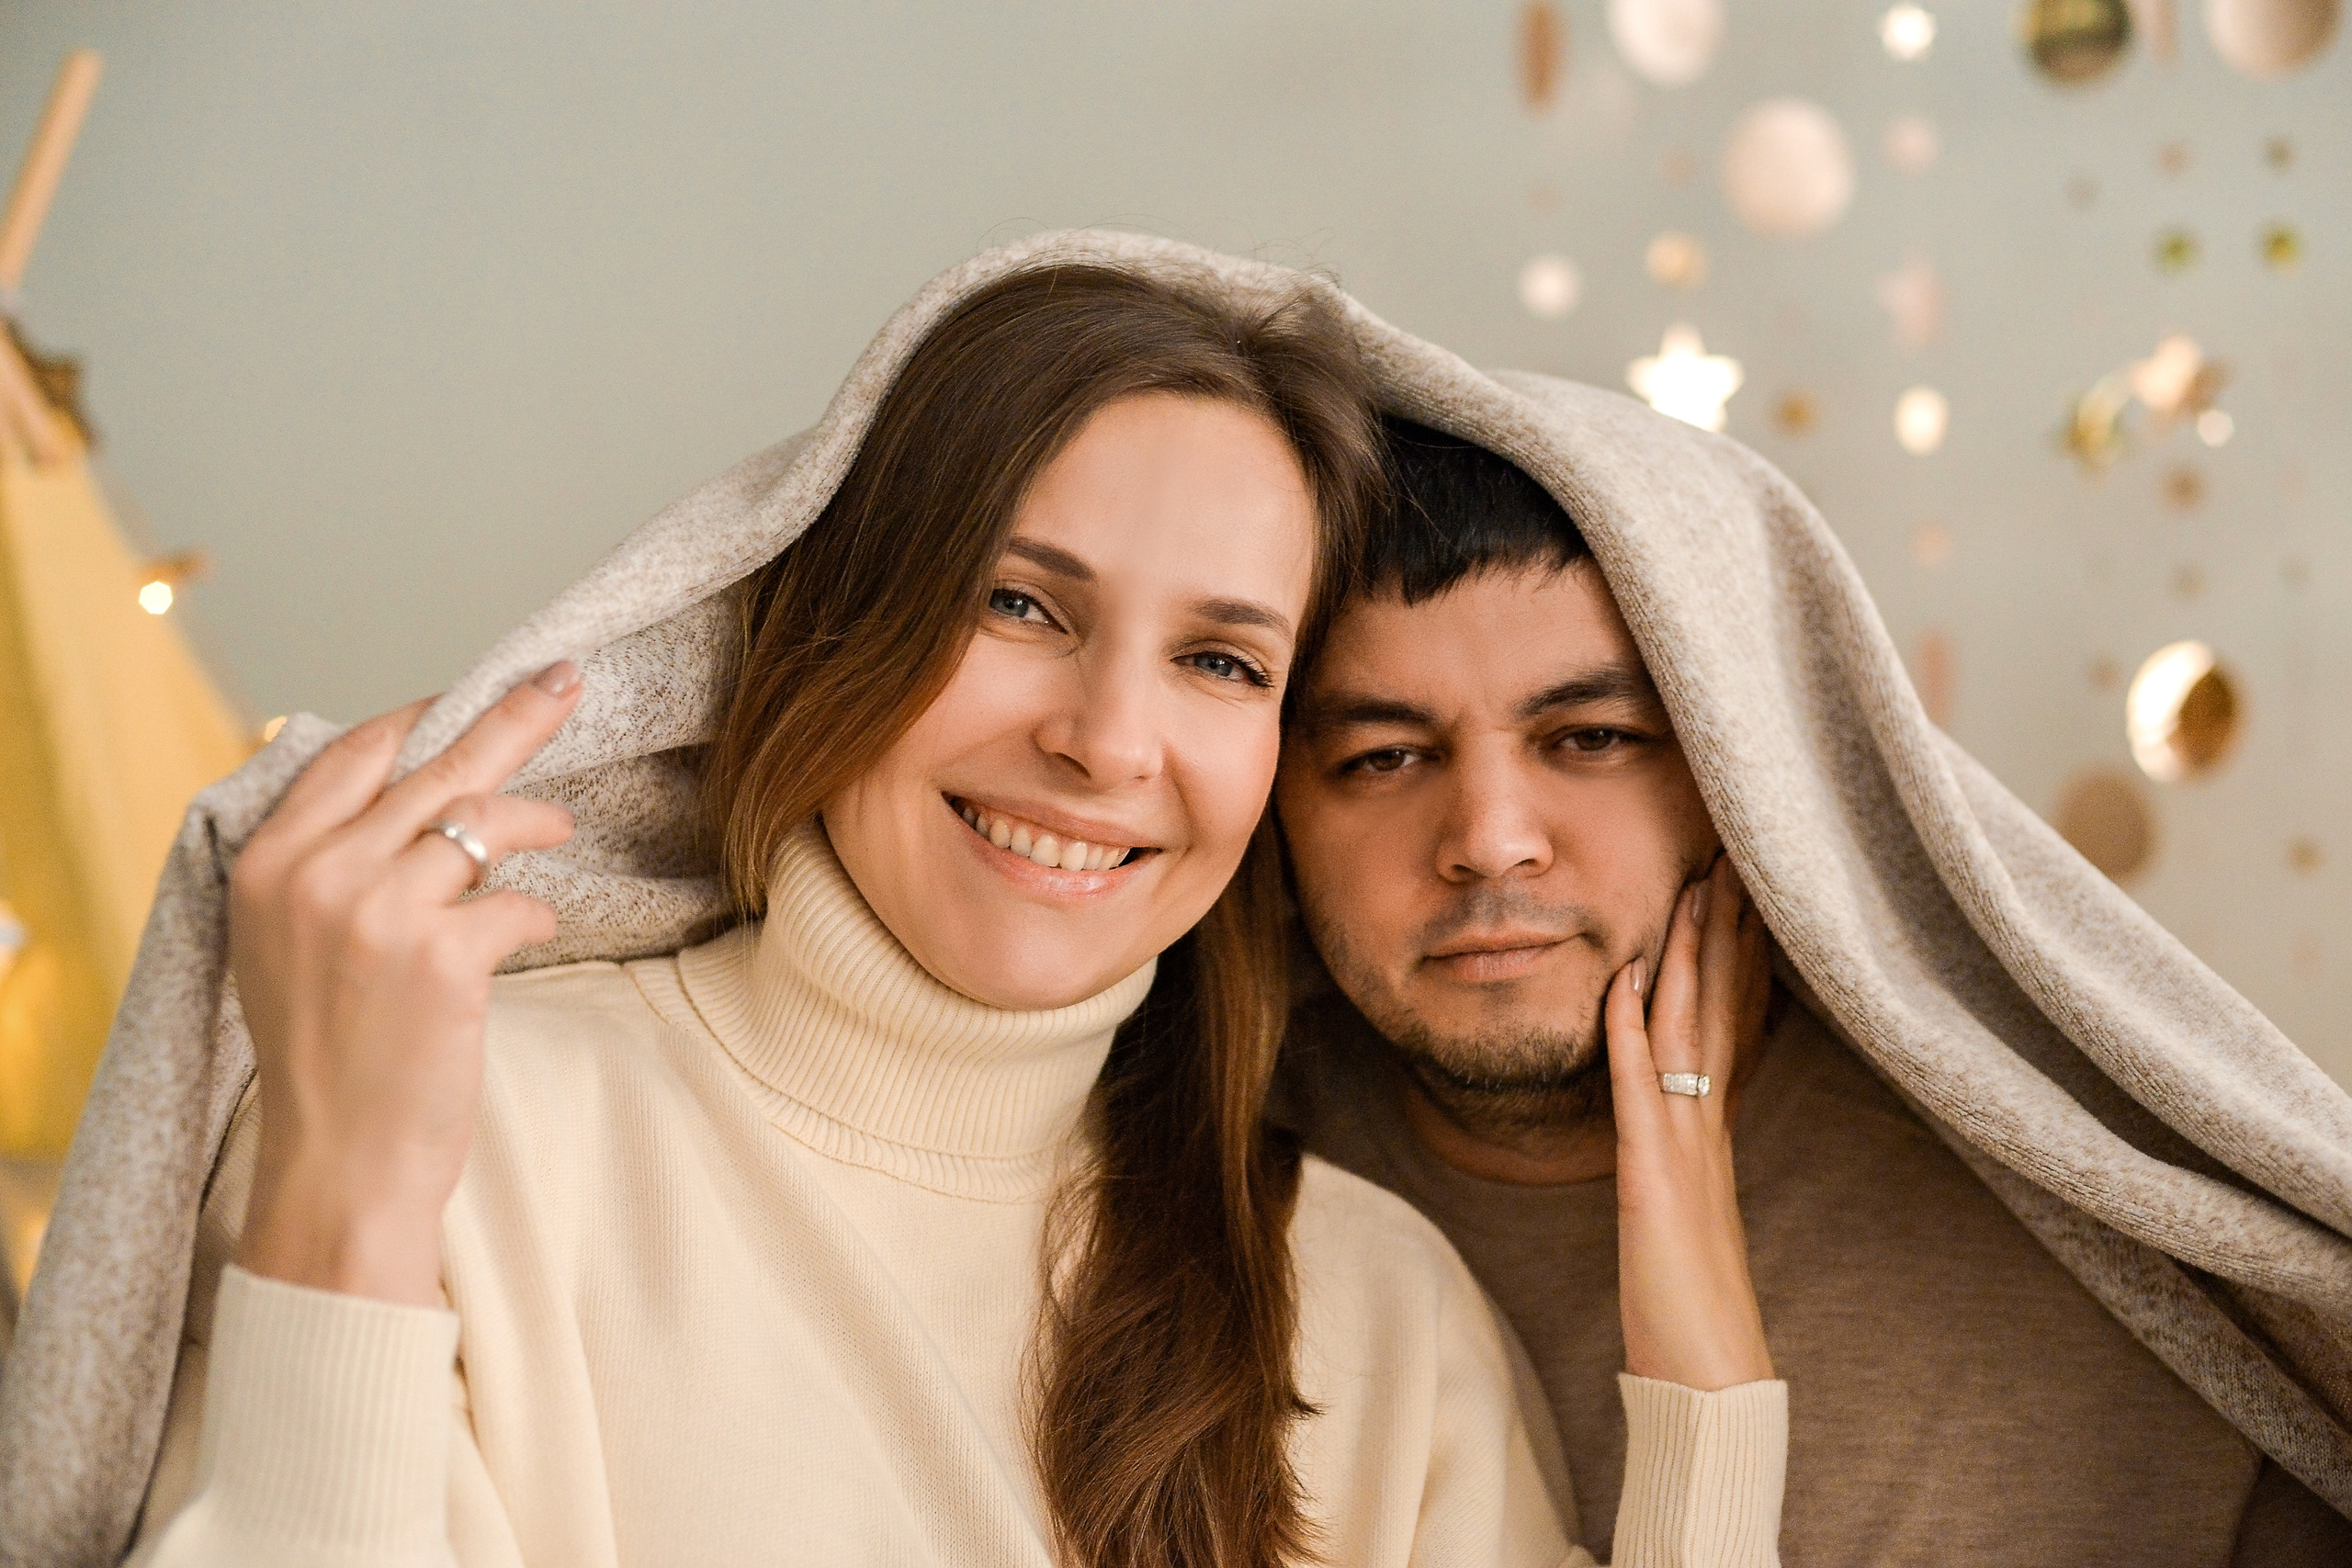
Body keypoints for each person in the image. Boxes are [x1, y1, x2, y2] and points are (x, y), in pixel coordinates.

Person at [106, 260, 1788, 1566]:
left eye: (1220, 659)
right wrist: (342, 1198)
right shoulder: (454, 1133)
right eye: (1019, 604)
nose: (1107, 741)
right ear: (836, 623)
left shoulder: (1367, 1304)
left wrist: (1706, 1384)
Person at [1273, 418, 2352, 1564]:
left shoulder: (2125, 1272)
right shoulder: (1193, 1200)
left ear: (1745, 767)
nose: (1490, 841)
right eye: (1383, 757)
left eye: (1591, 738)